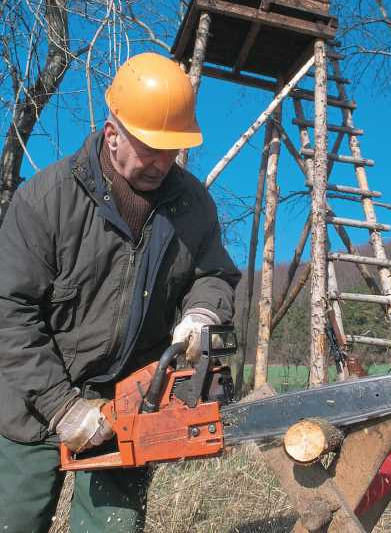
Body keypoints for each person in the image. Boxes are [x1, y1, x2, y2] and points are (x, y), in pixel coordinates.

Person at [0, 52, 240, 533]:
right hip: (31, 397)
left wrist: (201, 312)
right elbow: (10, 311)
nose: (162, 162)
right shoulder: (47, 201)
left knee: (113, 525)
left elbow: (214, 273)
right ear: (113, 135)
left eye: (172, 149)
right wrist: (60, 406)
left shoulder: (192, 204)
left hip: (130, 397)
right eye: (150, 147)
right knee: (16, 519)